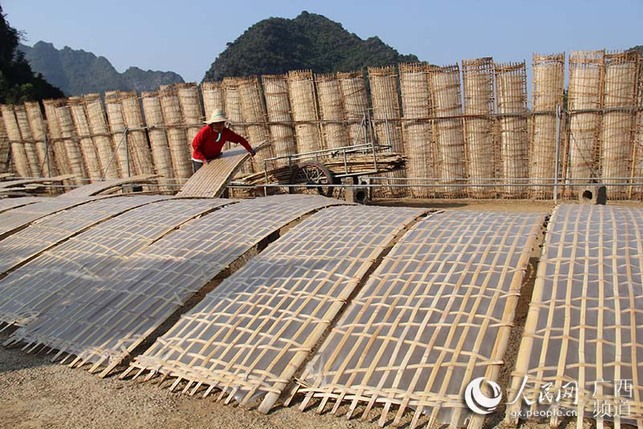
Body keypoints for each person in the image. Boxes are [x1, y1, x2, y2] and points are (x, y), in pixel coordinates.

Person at [191, 109, 256, 173]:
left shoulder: (225, 132)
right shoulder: (206, 131)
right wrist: (203, 159)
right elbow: (195, 145)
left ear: (224, 123)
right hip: (200, 160)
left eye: (221, 123)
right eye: (216, 124)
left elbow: (240, 139)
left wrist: (249, 149)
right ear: (212, 123)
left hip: (214, 158)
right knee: (202, 180)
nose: (218, 126)